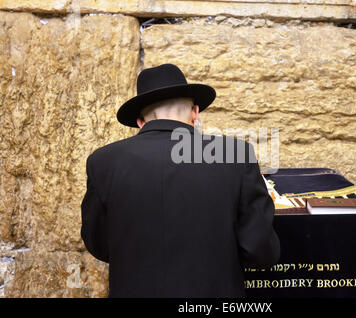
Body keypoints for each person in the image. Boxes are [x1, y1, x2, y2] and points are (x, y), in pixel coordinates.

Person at [81, 63, 280, 297]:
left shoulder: (103, 161)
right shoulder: (234, 155)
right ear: (195, 112)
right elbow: (260, 250)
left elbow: (99, 243)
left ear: (140, 122)